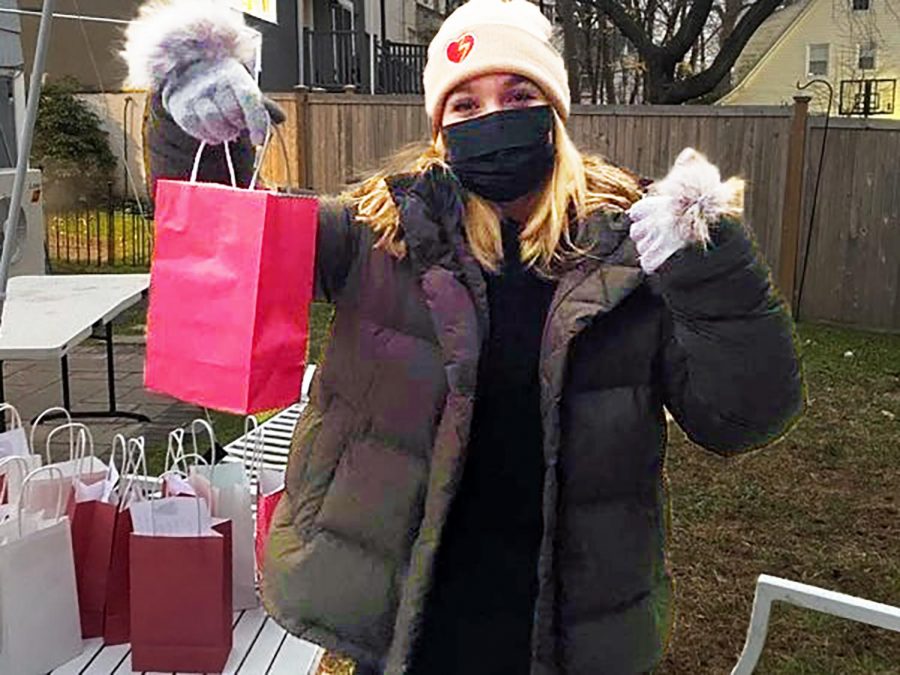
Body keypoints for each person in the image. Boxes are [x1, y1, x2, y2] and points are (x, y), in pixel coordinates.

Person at [123, 0, 804, 672]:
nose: (494, 117)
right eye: (466, 104)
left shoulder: (636, 247)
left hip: (570, 618)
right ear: (441, 125)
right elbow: (230, 231)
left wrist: (710, 262)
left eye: (518, 92)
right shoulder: (375, 230)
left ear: (555, 112)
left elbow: (744, 415)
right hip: (407, 613)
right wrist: (190, 120)